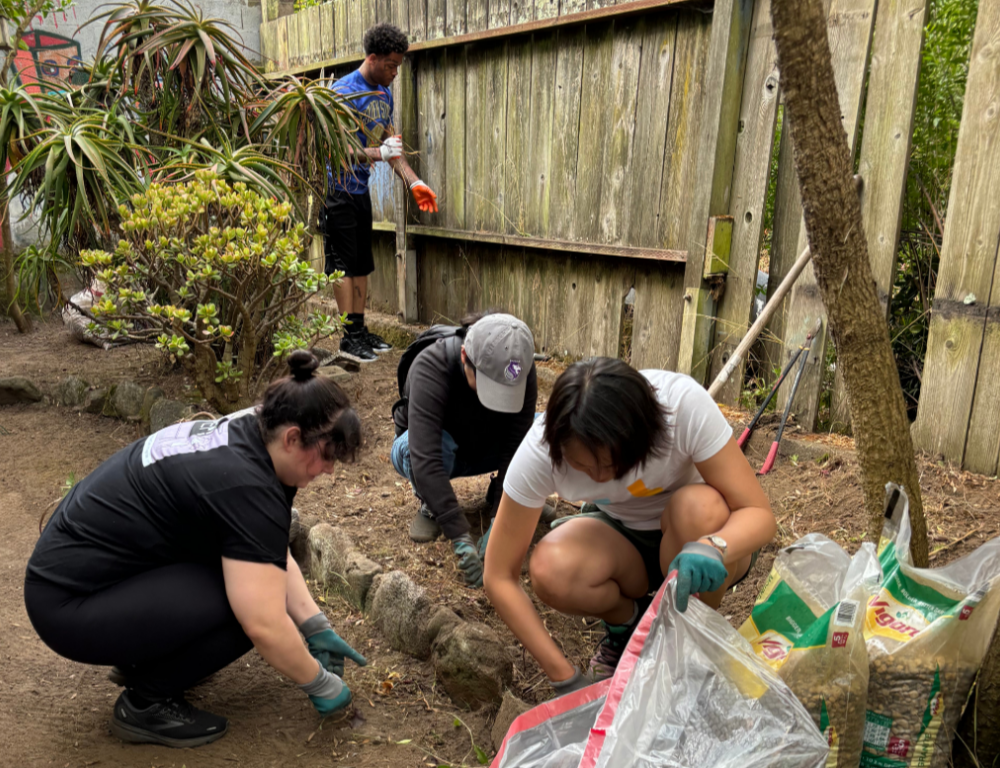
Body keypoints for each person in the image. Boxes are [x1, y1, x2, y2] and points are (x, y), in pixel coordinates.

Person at [24, 351, 367, 749]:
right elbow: (264, 621)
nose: (328, 470)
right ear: (293, 437)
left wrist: (314, 626)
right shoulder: (245, 484)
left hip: (91, 580)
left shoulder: (251, 428)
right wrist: (321, 684)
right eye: (326, 456)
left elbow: (264, 547)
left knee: (250, 583)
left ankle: (144, 657)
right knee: (247, 611)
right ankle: (145, 702)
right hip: (70, 607)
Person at [483, 357, 775, 695]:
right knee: (551, 567)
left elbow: (758, 513)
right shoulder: (541, 450)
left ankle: (687, 637)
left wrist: (714, 546)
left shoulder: (681, 408)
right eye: (581, 466)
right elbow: (499, 575)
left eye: (611, 463)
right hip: (622, 539)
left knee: (699, 508)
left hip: (702, 537)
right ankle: (628, 624)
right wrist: (564, 678)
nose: (599, 476)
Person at [391, 313, 537, 588]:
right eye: (488, 386)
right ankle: (430, 504)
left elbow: (517, 439)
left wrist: (502, 516)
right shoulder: (431, 366)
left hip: (486, 445)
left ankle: (504, 494)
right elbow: (426, 457)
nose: (497, 400)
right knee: (417, 448)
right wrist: (459, 535)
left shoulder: (520, 366)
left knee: (546, 430)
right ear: (463, 357)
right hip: (440, 451)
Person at [325, 22, 438, 363]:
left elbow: (390, 146)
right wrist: (379, 154)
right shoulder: (344, 92)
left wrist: (414, 181)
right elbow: (337, 149)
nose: (395, 73)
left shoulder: (384, 94)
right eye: (390, 65)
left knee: (362, 264)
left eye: (398, 66)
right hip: (336, 189)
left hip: (359, 188)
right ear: (372, 58)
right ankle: (348, 338)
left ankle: (359, 329)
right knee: (343, 266)